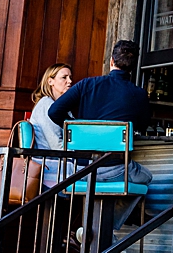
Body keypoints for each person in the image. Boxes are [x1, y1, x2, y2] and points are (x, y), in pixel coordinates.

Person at [47, 42, 153, 188]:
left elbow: (53, 111)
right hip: (116, 169)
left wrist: (77, 128)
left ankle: (98, 211)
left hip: (82, 169)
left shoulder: (86, 84)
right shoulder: (139, 94)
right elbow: (142, 126)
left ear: (111, 61)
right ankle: (117, 212)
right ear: (133, 67)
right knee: (147, 177)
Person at [28, 63, 71, 187]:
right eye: (64, 77)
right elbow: (56, 145)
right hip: (48, 165)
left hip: (60, 161)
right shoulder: (46, 104)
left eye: (70, 77)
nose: (70, 81)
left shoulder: (62, 107)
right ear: (50, 81)